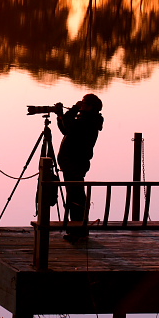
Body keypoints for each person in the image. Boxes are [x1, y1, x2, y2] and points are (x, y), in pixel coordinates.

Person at [54, 94, 104, 240]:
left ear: (90, 107)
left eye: (83, 104)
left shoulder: (89, 121)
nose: (80, 106)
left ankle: (78, 230)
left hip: (75, 163)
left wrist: (73, 109)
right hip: (74, 163)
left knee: (75, 196)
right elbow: (66, 130)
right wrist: (60, 116)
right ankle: (77, 229)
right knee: (75, 195)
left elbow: (70, 126)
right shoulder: (87, 120)